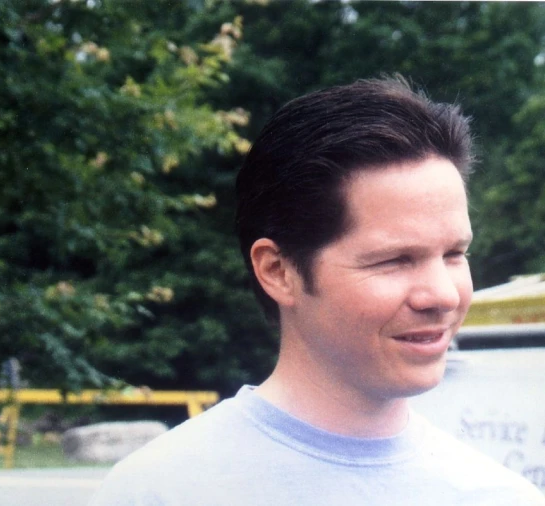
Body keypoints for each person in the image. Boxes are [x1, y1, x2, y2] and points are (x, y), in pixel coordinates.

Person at [89, 77, 545, 504]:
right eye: (394, 260)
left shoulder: (499, 496)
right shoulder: (159, 492)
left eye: (454, 254)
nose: (443, 295)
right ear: (278, 271)